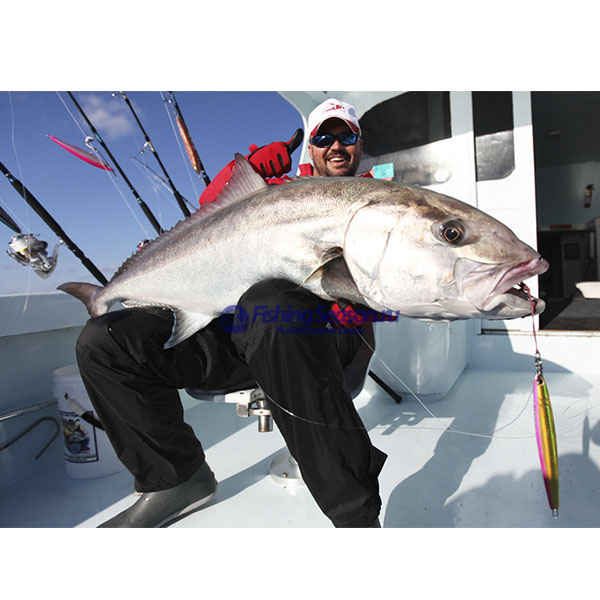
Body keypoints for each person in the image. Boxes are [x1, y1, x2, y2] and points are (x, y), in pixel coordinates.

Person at [76, 98, 390, 528]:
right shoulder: (278, 193)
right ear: (311, 148)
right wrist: (249, 171)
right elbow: (213, 210)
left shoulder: (378, 201)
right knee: (106, 341)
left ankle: (356, 516)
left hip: (328, 338)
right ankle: (176, 479)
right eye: (323, 136)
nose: (335, 145)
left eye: (346, 135)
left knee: (269, 303)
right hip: (249, 335)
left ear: (360, 144)